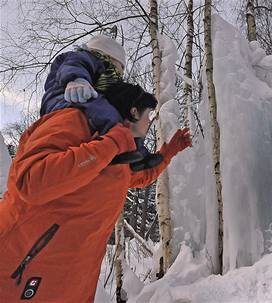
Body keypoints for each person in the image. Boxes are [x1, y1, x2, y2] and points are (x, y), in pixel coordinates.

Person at [0, 81, 192, 302]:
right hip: (16, 269)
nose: (149, 123)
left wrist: (168, 152)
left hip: (70, 282)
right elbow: (30, 181)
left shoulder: (116, 156)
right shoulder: (74, 121)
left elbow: (138, 178)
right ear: (133, 111)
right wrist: (111, 143)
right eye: (148, 116)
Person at [41, 34, 149, 166]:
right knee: (109, 115)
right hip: (65, 96)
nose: (121, 73)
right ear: (109, 56)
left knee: (117, 117)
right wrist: (77, 79)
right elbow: (75, 65)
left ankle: (137, 155)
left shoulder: (103, 75)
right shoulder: (86, 57)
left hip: (81, 97)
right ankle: (124, 150)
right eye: (121, 66)